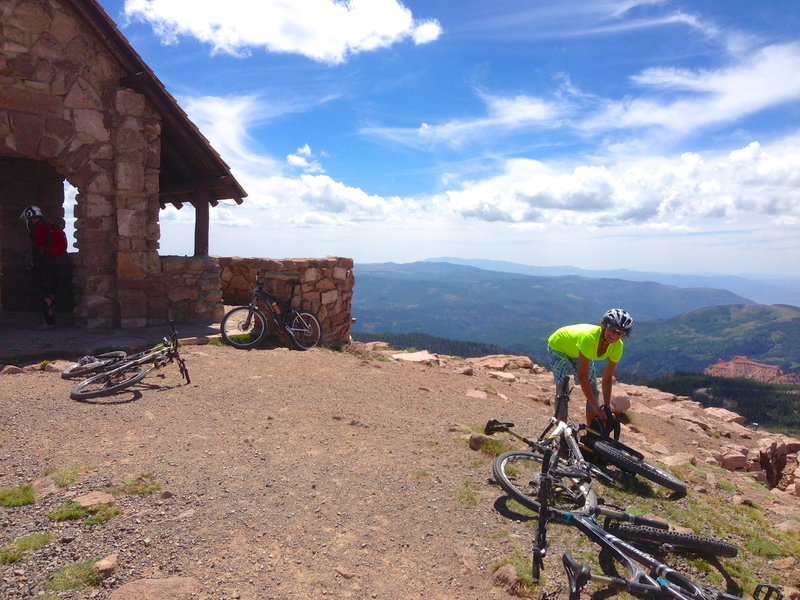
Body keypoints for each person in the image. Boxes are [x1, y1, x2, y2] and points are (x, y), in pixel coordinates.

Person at [546, 308, 634, 425]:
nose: (614, 334)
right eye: (612, 329)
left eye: (620, 333)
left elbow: (607, 379)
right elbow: (583, 377)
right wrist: (596, 408)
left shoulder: (618, 346)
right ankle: (561, 430)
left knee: (594, 390)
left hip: (578, 349)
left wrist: (606, 407)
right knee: (562, 390)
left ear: (624, 335)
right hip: (558, 346)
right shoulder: (589, 338)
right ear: (604, 325)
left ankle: (592, 431)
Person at [20, 205, 68, 329]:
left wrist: (32, 263)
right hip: (57, 262)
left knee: (45, 293)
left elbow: (39, 248)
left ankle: (49, 322)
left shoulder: (38, 229)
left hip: (45, 263)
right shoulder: (50, 227)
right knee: (51, 291)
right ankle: (51, 320)